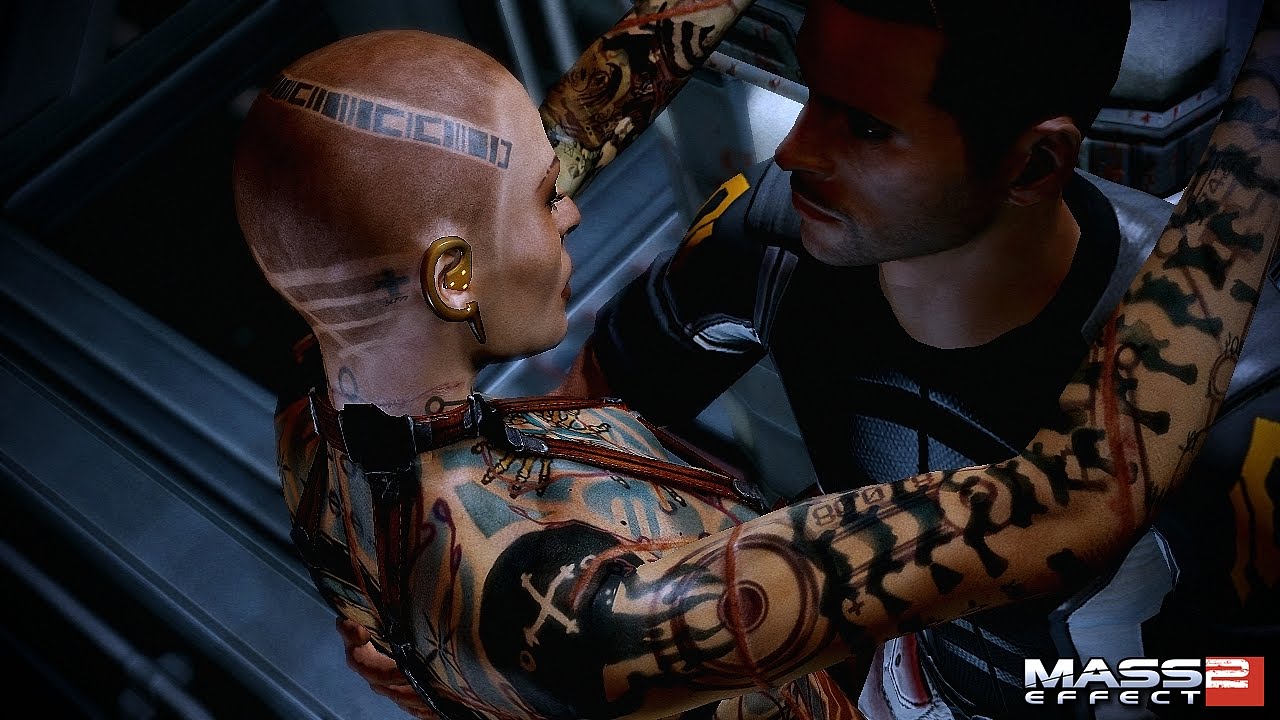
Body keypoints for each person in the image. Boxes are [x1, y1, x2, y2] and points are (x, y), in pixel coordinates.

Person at [240, 12, 1280, 720]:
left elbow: (1244, 679)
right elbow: (1078, 500)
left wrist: (1057, 690)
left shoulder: (334, 381)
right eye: (544, 199)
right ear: (452, 276)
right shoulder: (769, 242)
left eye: (860, 122)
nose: (789, 149)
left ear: (1035, 160)